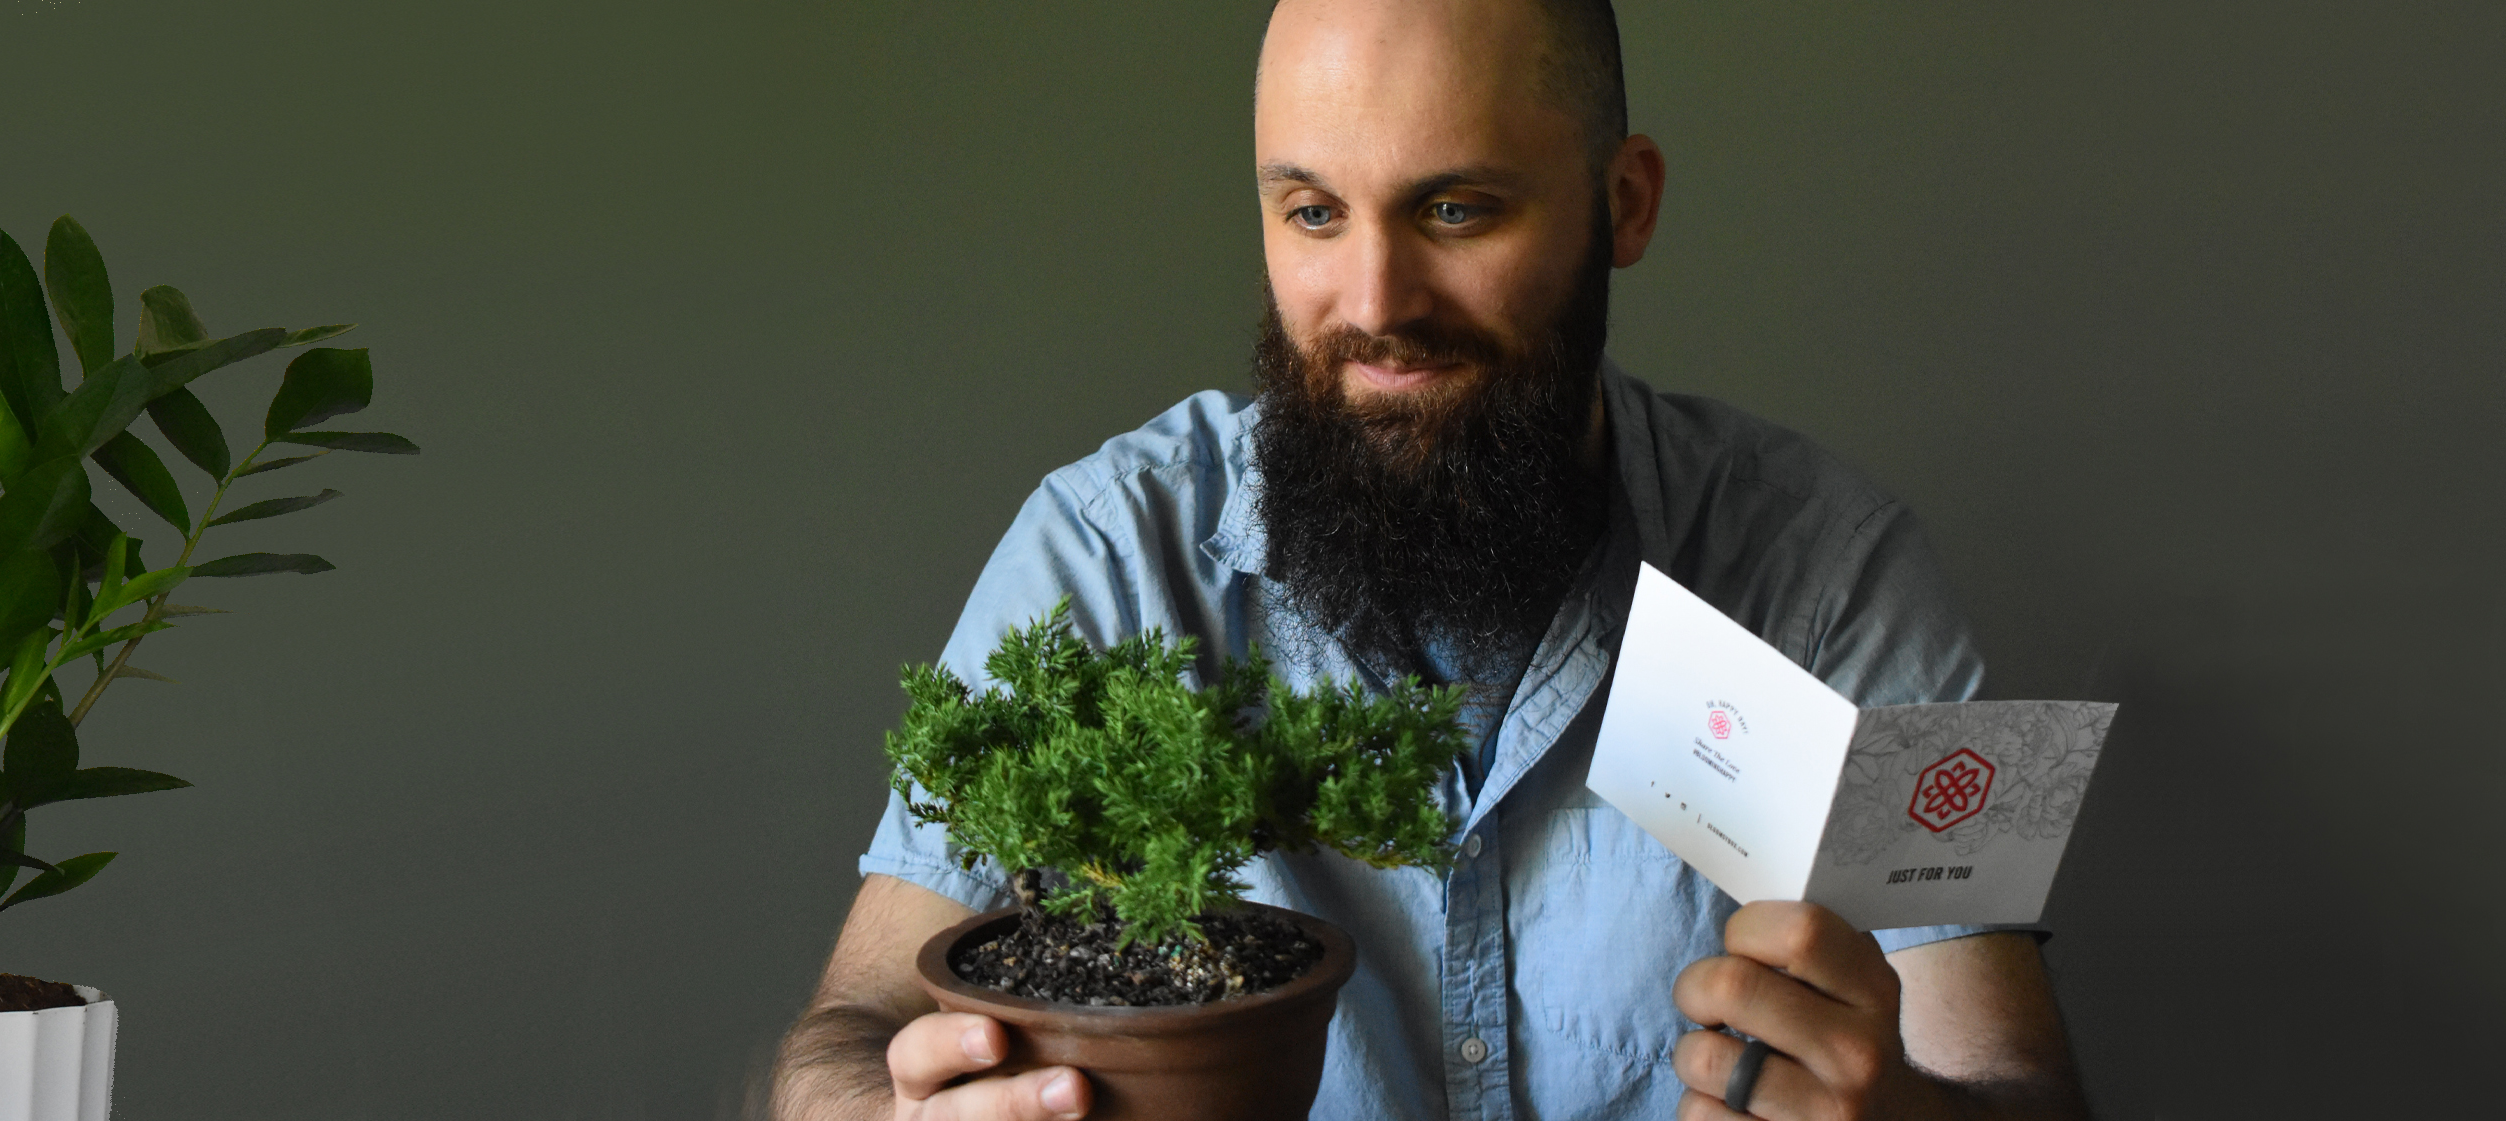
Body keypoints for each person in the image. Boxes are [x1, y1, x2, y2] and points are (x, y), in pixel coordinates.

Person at [771, 1, 2090, 1117]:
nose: (1374, 304)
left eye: (1455, 210)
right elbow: (841, 1032)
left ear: (1622, 205)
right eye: (1311, 212)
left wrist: (1914, 1113)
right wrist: (885, 1105)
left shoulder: (1842, 566)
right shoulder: (1107, 546)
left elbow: (2026, 1072)